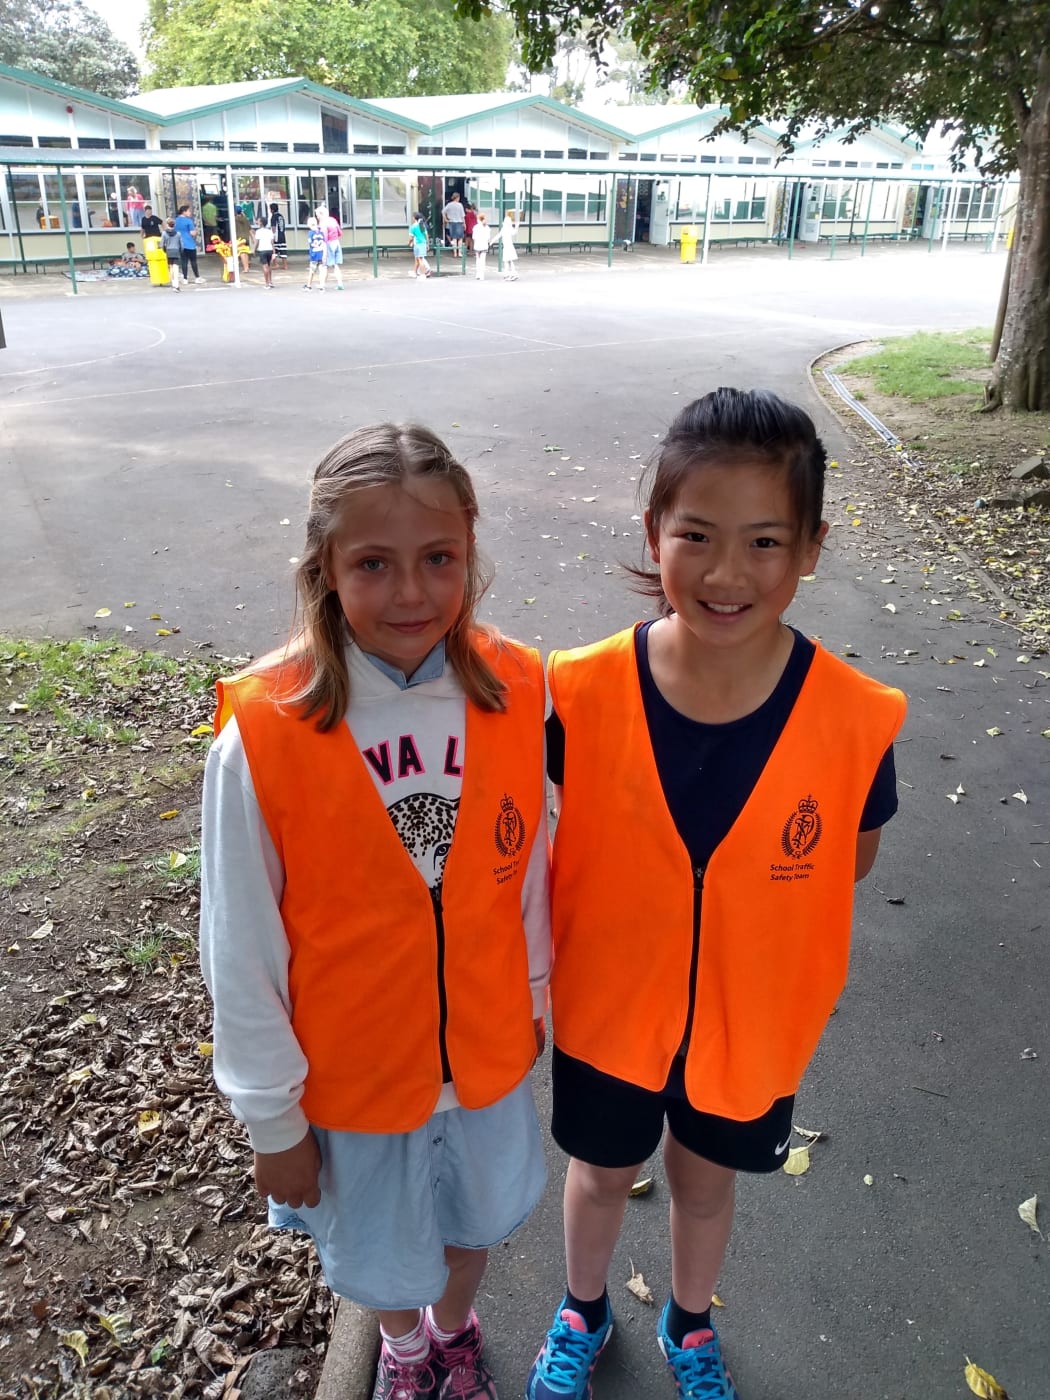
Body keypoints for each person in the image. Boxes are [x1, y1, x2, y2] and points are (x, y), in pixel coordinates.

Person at [527, 387, 907, 1400]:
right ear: (656, 534)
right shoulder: (579, 692)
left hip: (753, 1022)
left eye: (765, 542)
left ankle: (691, 1324)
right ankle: (582, 1306)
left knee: (704, 1185)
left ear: (812, 547)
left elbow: (849, 858)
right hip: (610, 1011)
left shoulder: (851, 717)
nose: (728, 572)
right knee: (600, 1172)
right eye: (696, 534)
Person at [200, 422, 551, 1400]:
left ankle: (454, 1328)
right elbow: (240, 947)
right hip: (354, 1078)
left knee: (470, 1227)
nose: (410, 592)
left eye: (438, 558)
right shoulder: (268, 732)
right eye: (374, 563)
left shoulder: (516, 690)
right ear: (325, 564)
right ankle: (403, 1345)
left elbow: (523, 867)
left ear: (470, 546)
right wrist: (272, 1118)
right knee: (386, 1249)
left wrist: (529, 994)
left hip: (481, 1059)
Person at [317, 203, 344, 290]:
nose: (317, 217)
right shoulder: (333, 220)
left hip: (328, 244)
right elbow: (340, 232)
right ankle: (340, 284)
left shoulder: (323, 223)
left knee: (324, 265)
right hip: (336, 242)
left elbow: (324, 238)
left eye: (318, 215)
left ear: (321, 214)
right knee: (335, 265)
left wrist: (324, 253)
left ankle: (322, 284)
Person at [174, 204, 203, 284]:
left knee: (184, 262)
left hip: (180, 244)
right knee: (193, 261)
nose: (190, 212)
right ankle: (197, 277)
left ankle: (185, 279)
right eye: (188, 211)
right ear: (184, 212)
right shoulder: (188, 221)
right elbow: (192, 233)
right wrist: (196, 232)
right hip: (189, 244)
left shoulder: (176, 221)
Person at [303, 216, 326, 290]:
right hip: (321, 254)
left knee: (312, 271)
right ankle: (322, 285)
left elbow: (311, 244)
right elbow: (324, 244)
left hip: (314, 255)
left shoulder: (310, 233)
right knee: (321, 270)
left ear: (309, 225)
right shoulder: (321, 233)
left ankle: (309, 285)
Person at [161, 217, 183, 291]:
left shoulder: (164, 233)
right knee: (176, 268)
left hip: (169, 251)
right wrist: (181, 250)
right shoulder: (178, 234)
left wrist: (164, 250)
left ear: (167, 224)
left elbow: (161, 244)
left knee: (171, 268)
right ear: (174, 225)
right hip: (176, 251)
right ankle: (177, 285)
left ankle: (173, 284)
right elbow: (181, 244)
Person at [253, 217, 276, 288]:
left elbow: (256, 242)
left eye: (258, 221)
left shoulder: (258, 232)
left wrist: (254, 250)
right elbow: (272, 242)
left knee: (265, 267)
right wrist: (274, 252)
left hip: (262, 250)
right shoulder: (269, 231)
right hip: (270, 250)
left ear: (261, 223)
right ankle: (270, 281)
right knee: (269, 266)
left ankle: (266, 284)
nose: (257, 222)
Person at [409, 213, 432, 279]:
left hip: (417, 244)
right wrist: (427, 244)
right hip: (423, 243)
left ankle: (423, 274)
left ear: (414, 218)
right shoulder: (421, 225)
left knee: (420, 259)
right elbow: (426, 235)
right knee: (417, 259)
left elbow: (411, 237)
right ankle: (414, 272)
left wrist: (409, 243)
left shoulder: (413, 226)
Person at [471, 213, 491, 281]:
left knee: (478, 260)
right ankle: (482, 275)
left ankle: (478, 274)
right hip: (484, 245)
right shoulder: (487, 227)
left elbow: (473, 237)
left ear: (478, 219)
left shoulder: (475, 227)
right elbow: (488, 238)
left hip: (477, 245)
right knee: (483, 261)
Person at [269, 202, 288, 269]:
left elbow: (273, 228)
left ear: (272, 210)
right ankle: (285, 265)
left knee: (274, 250)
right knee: (283, 250)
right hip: (282, 235)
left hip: (276, 236)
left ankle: (275, 264)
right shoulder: (281, 216)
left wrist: (272, 236)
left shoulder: (273, 216)